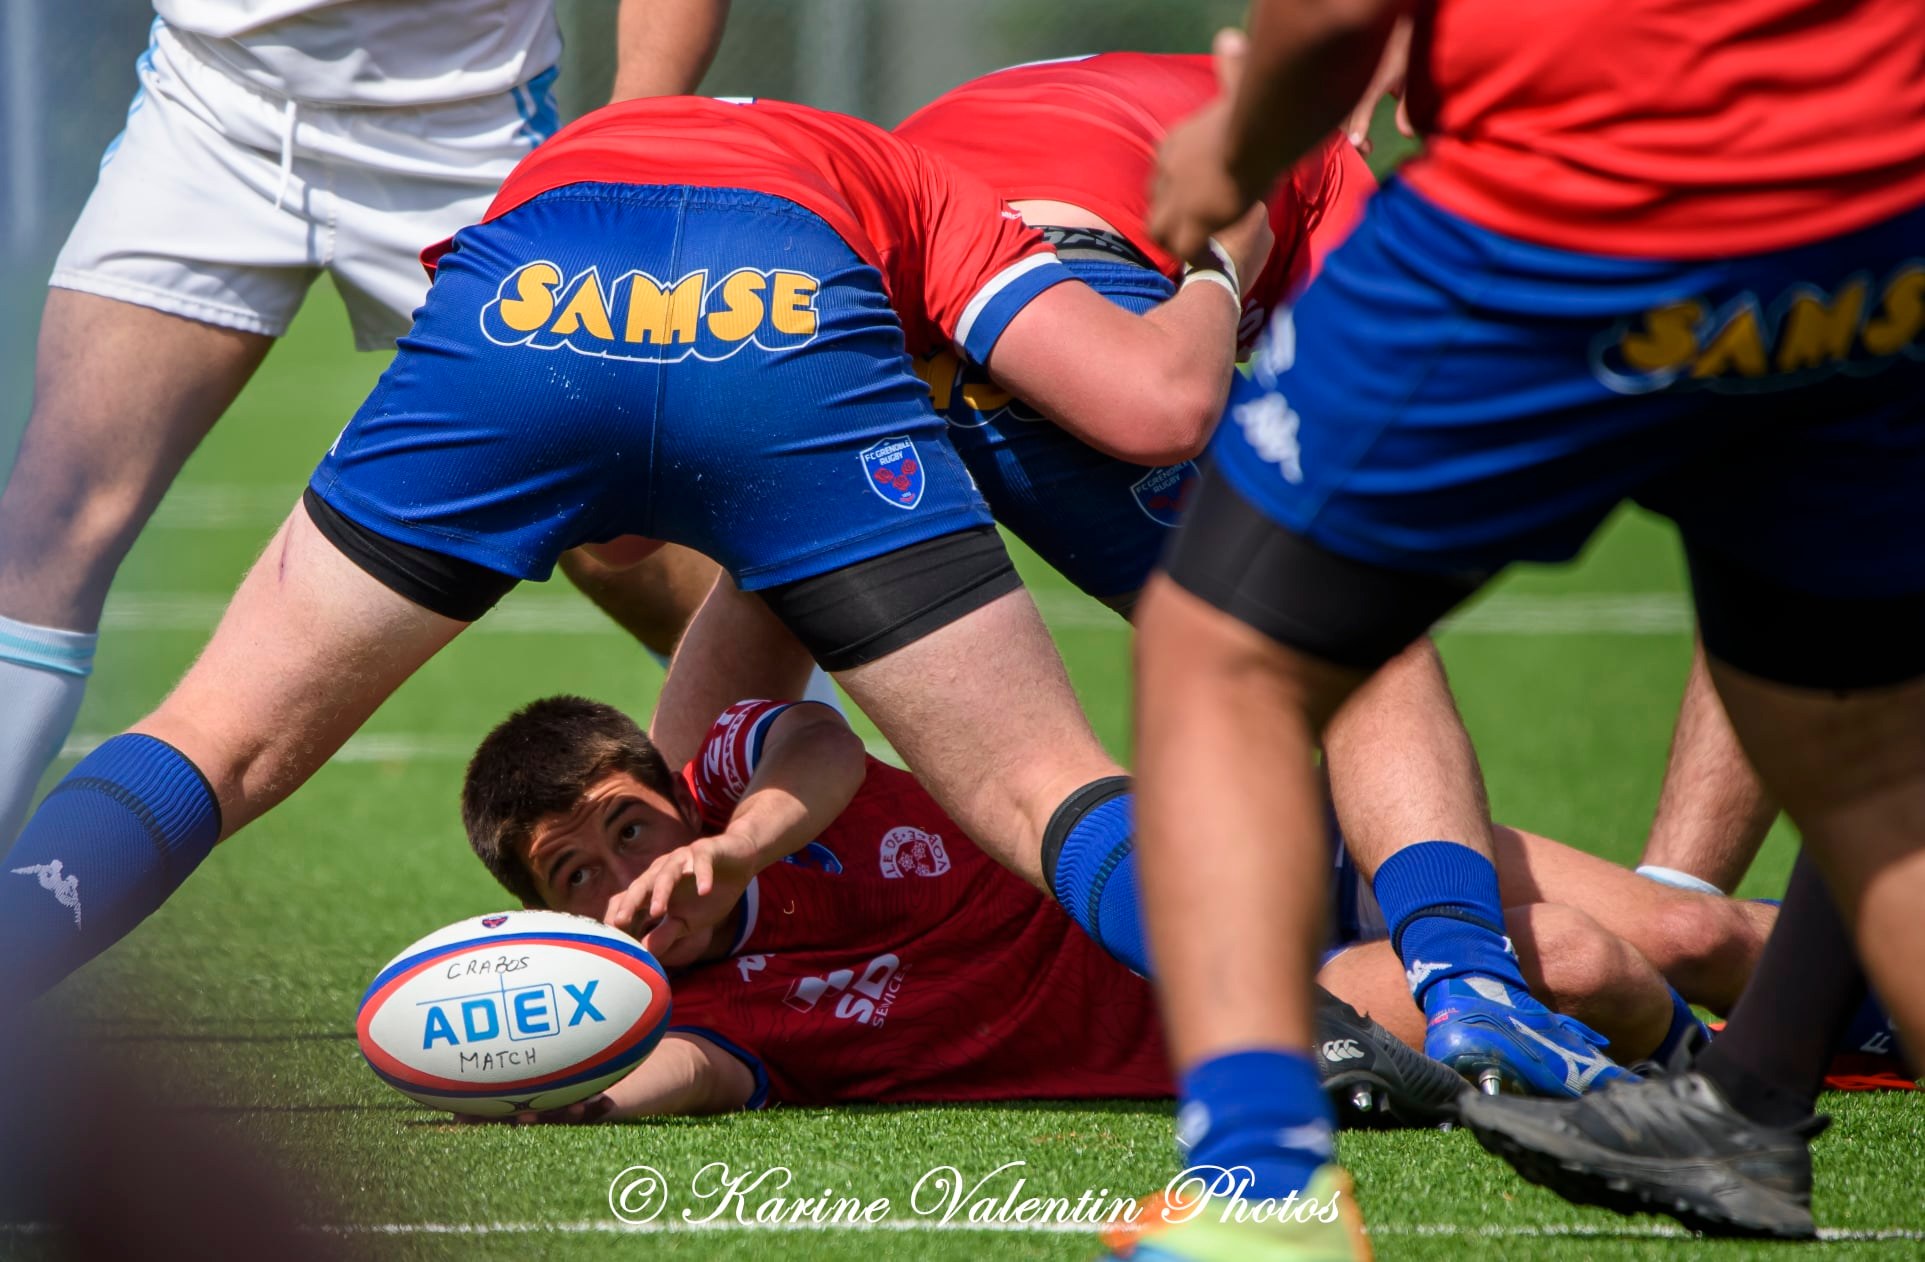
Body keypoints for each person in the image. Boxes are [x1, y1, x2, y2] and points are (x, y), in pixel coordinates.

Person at [0, 93, 1262, 1007]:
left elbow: (611, 505)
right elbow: (1151, 407)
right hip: (784, 299)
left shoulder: (599, 144)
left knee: (219, 736)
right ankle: (1279, 1036)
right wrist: (1217, 261)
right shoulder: (932, 183)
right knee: (1038, 782)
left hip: (537, 276)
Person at [1133, 0, 1925, 1253]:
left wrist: (1234, 150)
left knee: (1221, 649)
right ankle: (1742, 1094)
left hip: (1587, 188)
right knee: (1873, 772)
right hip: (1876, 198)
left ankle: (1252, 1188)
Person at [0, 0, 736, 846]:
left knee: (622, 531)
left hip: (468, 134)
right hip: (207, 107)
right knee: (50, 515)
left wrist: (629, 130)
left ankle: (818, 854)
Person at [452, 692, 1749, 1123]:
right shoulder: (703, 1007)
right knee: (1578, 960)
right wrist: (547, 1068)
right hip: (1238, 1007)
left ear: (674, 792)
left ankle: (1822, 1028)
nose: (628, 872)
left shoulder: (746, 776)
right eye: (581, 873)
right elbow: (666, 1076)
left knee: (1696, 932)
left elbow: (821, 748)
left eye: (632, 825)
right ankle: (1732, 1084)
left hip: (1268, 842)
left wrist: (736, 847)